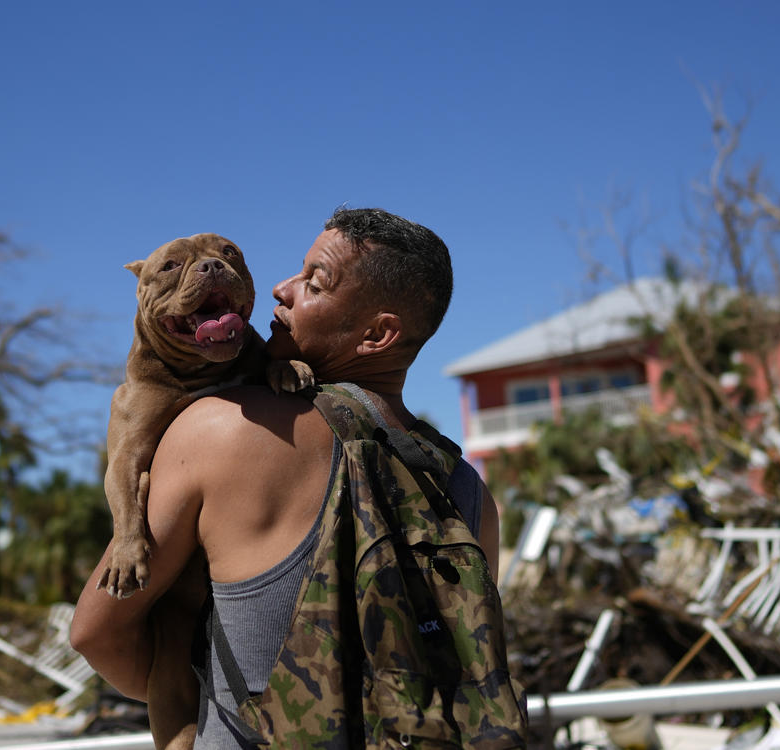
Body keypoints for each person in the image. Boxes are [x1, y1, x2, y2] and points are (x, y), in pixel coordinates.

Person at [71, 208, 502, 747]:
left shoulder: (218, 430)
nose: (281, 288)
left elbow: (95, 633)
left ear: (376, 334)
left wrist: (194, 700)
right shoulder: (468, 492)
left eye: (313, 282)